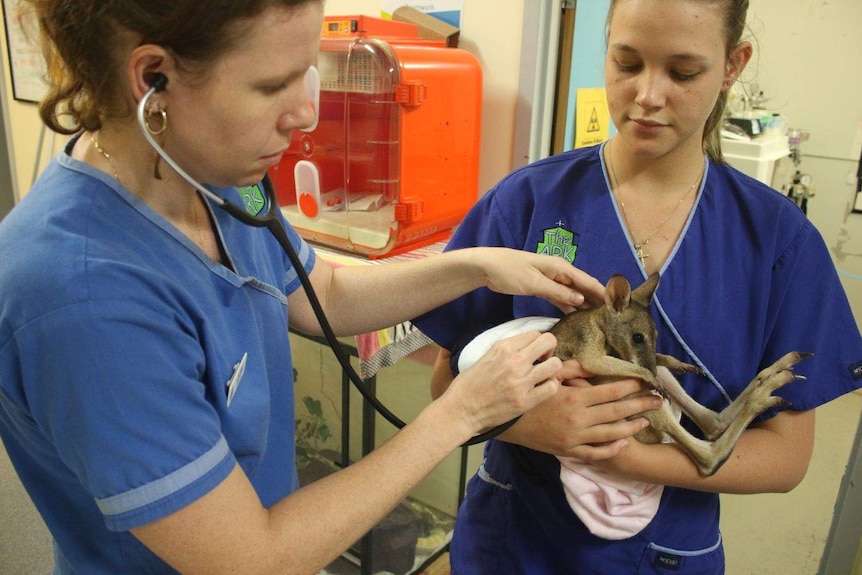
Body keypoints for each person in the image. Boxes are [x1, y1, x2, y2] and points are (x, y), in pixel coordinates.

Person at [0, 2, 666, 574]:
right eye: (274, 84)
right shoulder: (80, 298)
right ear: (154, 78)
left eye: (309, 67)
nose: (309, 112)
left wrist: (480, 264)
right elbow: (251, 557)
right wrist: (461, 413)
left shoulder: (211, 170)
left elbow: (325, 295)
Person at [413, 0, 862, 573]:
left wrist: (620, 454)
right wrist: (536, 426)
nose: (648, 96)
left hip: (662, 554)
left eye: (682, 72)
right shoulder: (527, 202)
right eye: (627, 63)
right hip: (511, 541)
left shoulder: (778, 242)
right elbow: (446, 379)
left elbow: (785, 458)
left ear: (733, 64)